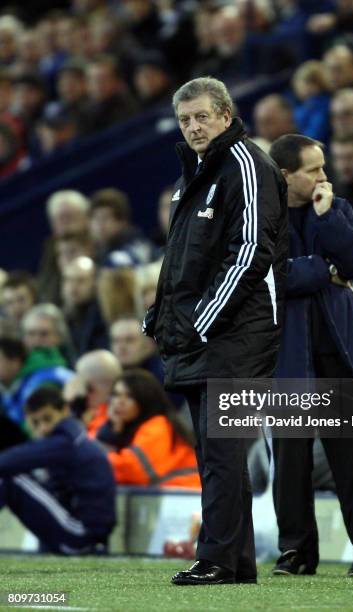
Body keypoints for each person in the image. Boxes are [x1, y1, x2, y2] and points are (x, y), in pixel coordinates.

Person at [143, 76, 288, 585]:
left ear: (226, 115)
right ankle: (233, 561)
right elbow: (180, 259)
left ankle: (219, 559)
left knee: (223, 451)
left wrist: (202, 319)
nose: (194, 126)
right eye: (185, 120)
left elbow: (251, 251)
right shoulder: (195, 173)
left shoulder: (246, 163)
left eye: (203, 116)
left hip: (237, 333)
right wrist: (162, 313)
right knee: (214, 455)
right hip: (205, 337)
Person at [269, 134, 353, 577]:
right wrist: (325, 270)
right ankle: (296, 554)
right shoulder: (260, 217)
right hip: (287, 361)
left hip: (343, 356)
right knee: (290, 463)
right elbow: (268, 277)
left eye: (324, 167)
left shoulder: (335, 209)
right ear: (286, 176)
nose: (324, 177)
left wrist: (325, 218)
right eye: (313, 170)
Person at [0, 386, 116, 554]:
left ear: (65, 411)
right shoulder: (71, 440)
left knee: (12, 479)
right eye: (35, 423)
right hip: (79, 533)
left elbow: (7, 461)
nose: (43, 428)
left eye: (48, 418)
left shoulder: (66, 441)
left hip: (82, 534)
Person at [97, 369, 200, 489]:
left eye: (129, 396)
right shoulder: (120, 424)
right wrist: (111, 431)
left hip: (186, 498)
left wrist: (93, 460)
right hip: (164, 498)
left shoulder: (158, 426)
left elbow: (133, 470)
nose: (119, 402)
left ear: (145, 399)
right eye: (116, 395)